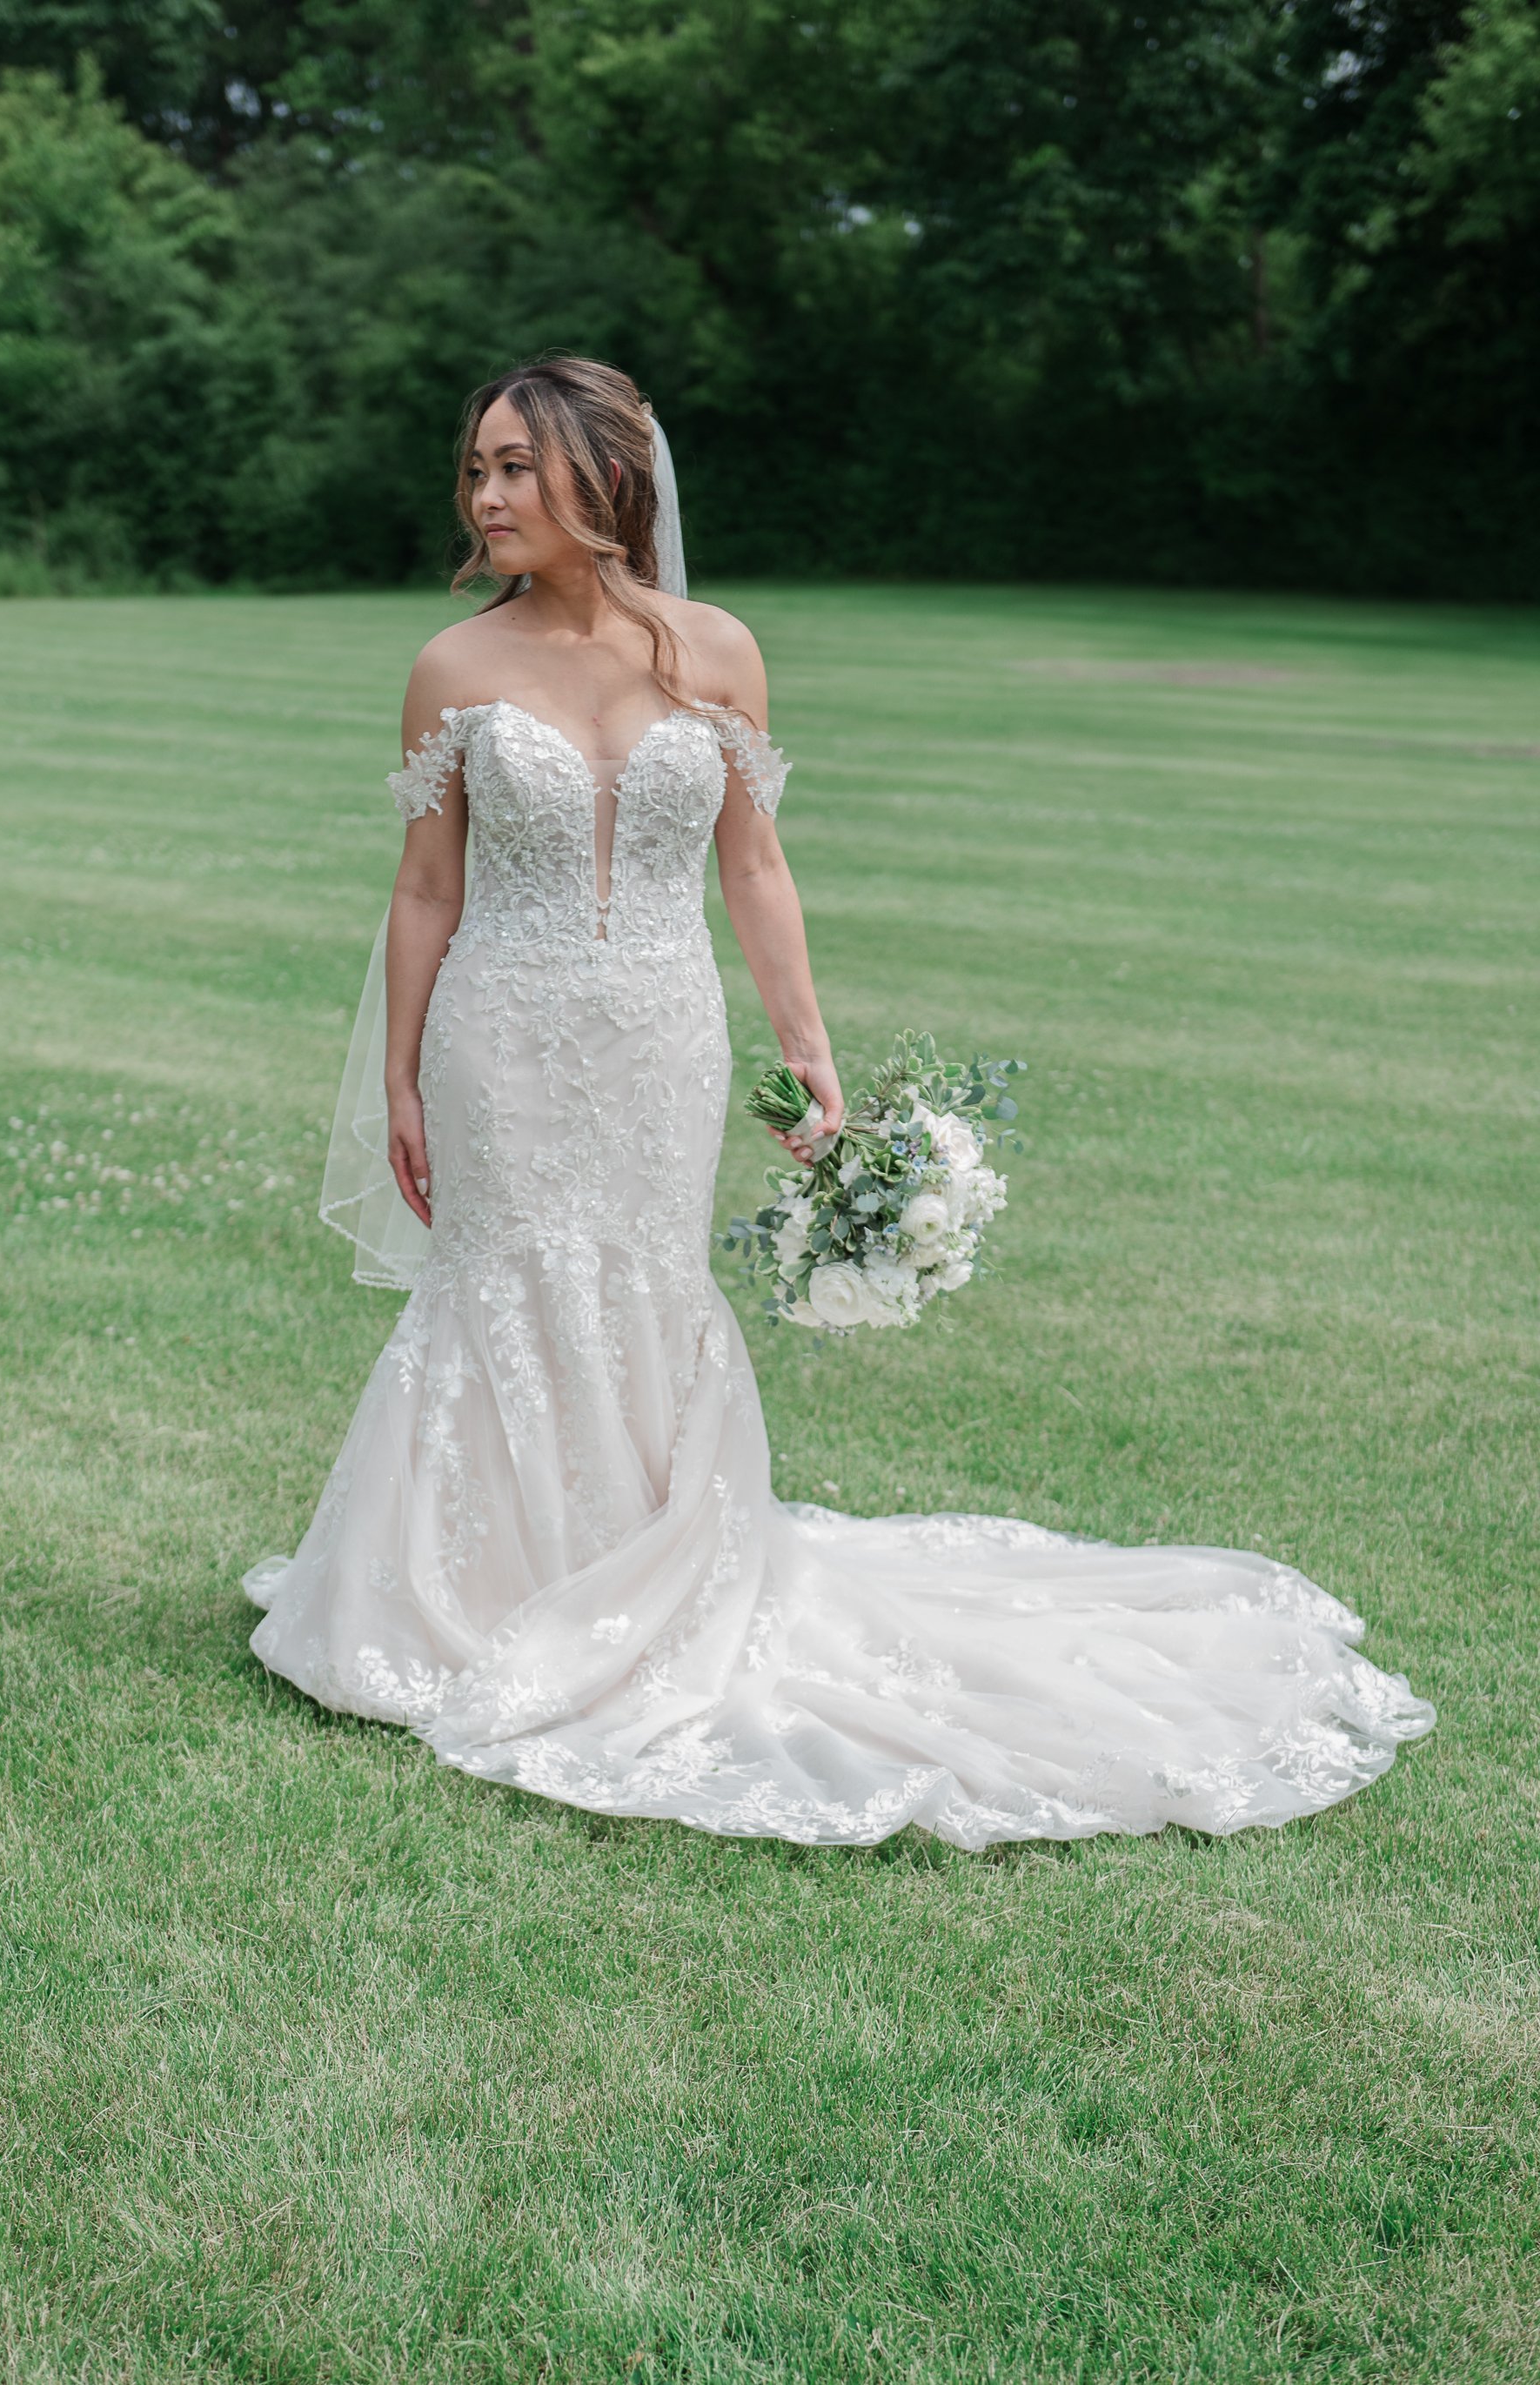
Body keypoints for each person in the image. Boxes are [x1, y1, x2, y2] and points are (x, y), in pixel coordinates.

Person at [244, 355, 1434, 1847]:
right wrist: (406, 1074)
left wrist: (813, 1048)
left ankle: (655, 1580)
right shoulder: (452, 670)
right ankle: (478, 1591)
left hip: (664, 1035)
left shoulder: (718, 652)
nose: (483, 497)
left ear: (606, 477)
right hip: (504, 1032)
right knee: (505, 1284)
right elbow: (427, 887)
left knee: (644, 1283)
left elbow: (753, 863)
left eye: (512, 468)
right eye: (474, 469)